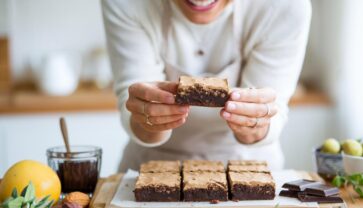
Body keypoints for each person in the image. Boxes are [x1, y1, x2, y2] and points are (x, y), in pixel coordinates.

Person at [102, 0, 312, 171]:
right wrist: (147, 117)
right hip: (150, 167)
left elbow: (273, 108)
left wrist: (254, 124)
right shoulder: (126, 4)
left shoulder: (285, 7)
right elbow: (132, 103)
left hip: (249, 167)